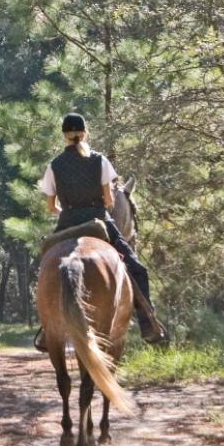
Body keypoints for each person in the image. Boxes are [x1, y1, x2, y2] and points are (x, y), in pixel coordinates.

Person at [33, 113, 163, 350]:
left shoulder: (54, 165)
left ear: (64, 136)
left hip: (67, 224)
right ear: (85, 133)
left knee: (45, 269)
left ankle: (46, 327)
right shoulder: (100, 160)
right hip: (98, 221)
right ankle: (148, 323)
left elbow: (51, 206)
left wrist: (68, 210)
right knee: (138, 269)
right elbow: (109, 200)